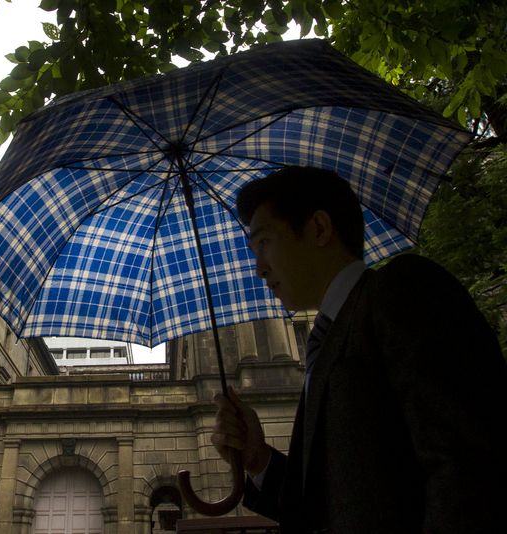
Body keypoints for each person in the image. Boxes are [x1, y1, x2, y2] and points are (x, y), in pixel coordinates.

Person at [211, 166, 507, 533]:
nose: (258, 268)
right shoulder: (330, 336)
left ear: (319, 228)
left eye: (264, 243)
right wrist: (260, 461)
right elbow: (334, 505)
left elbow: (470, 470)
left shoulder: (404, 291)